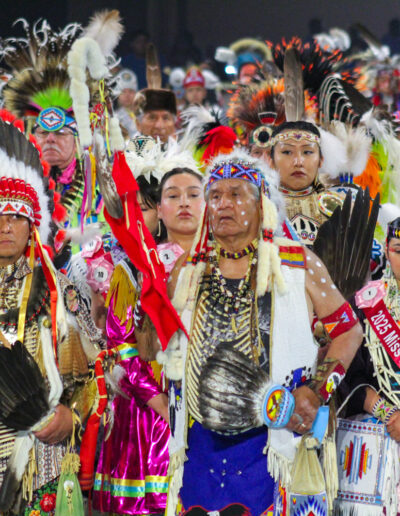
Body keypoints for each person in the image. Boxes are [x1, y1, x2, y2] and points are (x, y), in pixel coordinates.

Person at [145, 149, 363, 515]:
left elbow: (349, 331)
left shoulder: (298, 263)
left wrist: (316, 391)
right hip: (200, 440)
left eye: (236, 194)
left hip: (276, 438)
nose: (223, 204)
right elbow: (162, 345)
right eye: (215, 196)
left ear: (262, 205)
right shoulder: (188, 268)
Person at [93, 137, 204, 515]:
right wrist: (160, 403)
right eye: (132, 210)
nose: (140, 218)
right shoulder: (130, 272)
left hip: (201, 405)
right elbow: (121, 349)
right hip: (148, 414)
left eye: (146, 208)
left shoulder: (212, 262)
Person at [0, 118, 103, 515]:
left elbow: (94, 372)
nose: (6, 226)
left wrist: (70, 415)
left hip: (39, 458)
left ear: (32, 226)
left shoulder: (60, 292)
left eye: (16, 217)